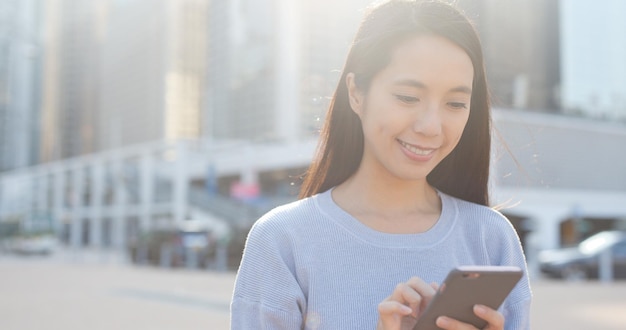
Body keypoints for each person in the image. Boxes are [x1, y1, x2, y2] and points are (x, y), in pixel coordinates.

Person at [230, 0, 532, 329]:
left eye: (456, 103)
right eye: (407, 97)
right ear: (356, 92)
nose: (431, 126)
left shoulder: (491, 239)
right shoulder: (282, 240)